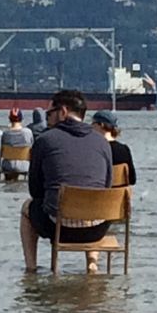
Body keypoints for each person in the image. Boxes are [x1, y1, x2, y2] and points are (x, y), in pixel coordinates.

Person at [20, 90, 112, 273]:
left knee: (27, 207)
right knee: (94, 203)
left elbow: (35, 190)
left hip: (58, 227)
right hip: (97, 230)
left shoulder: (44, 140)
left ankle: (31, 268)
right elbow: (107, 186)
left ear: (62, 112)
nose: (47, 119)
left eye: (49, 114)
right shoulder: (102, 143)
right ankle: (92, 264)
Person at [91, 110, 137, 185]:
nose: (91, 127)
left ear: (101, 125)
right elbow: (132, 180)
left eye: (93, 123)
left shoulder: (94, 149)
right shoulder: (124, 149)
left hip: (98, 195)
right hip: (118, 195)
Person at [0, 107, 34, 180]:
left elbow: (1, 153)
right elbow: (31, 150)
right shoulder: (28, 132)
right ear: (21, 118)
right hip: (24, 166)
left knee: (9, 164)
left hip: (8, 166)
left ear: (9, 119)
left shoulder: (5, 134)